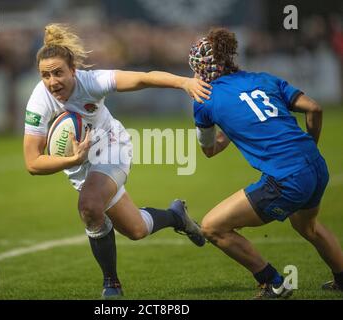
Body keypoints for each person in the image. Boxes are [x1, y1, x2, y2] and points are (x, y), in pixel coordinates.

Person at [23, 23, 210, 299]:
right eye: (45, 75)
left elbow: (143, 78)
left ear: (73, 70)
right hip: (78, 163)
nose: (52, 82)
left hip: (111, 147)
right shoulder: (39, 101)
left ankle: (111, 284)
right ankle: (176, 216)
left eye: (58, 73)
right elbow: (32, 163)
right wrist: (72, 159)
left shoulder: (92, 82)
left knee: (89, 205)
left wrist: (184, 82)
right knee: (136, 229)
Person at [188, 27, 343, 299]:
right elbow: (314, 108)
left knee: (212, 226)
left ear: (201, 68)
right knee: (309, 227)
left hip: (287, 178)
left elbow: (209, 150)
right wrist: (309, 146)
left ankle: (273, 282)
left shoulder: (204, 98)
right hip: (316, 166)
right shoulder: (263, 78)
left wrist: (228, 134)